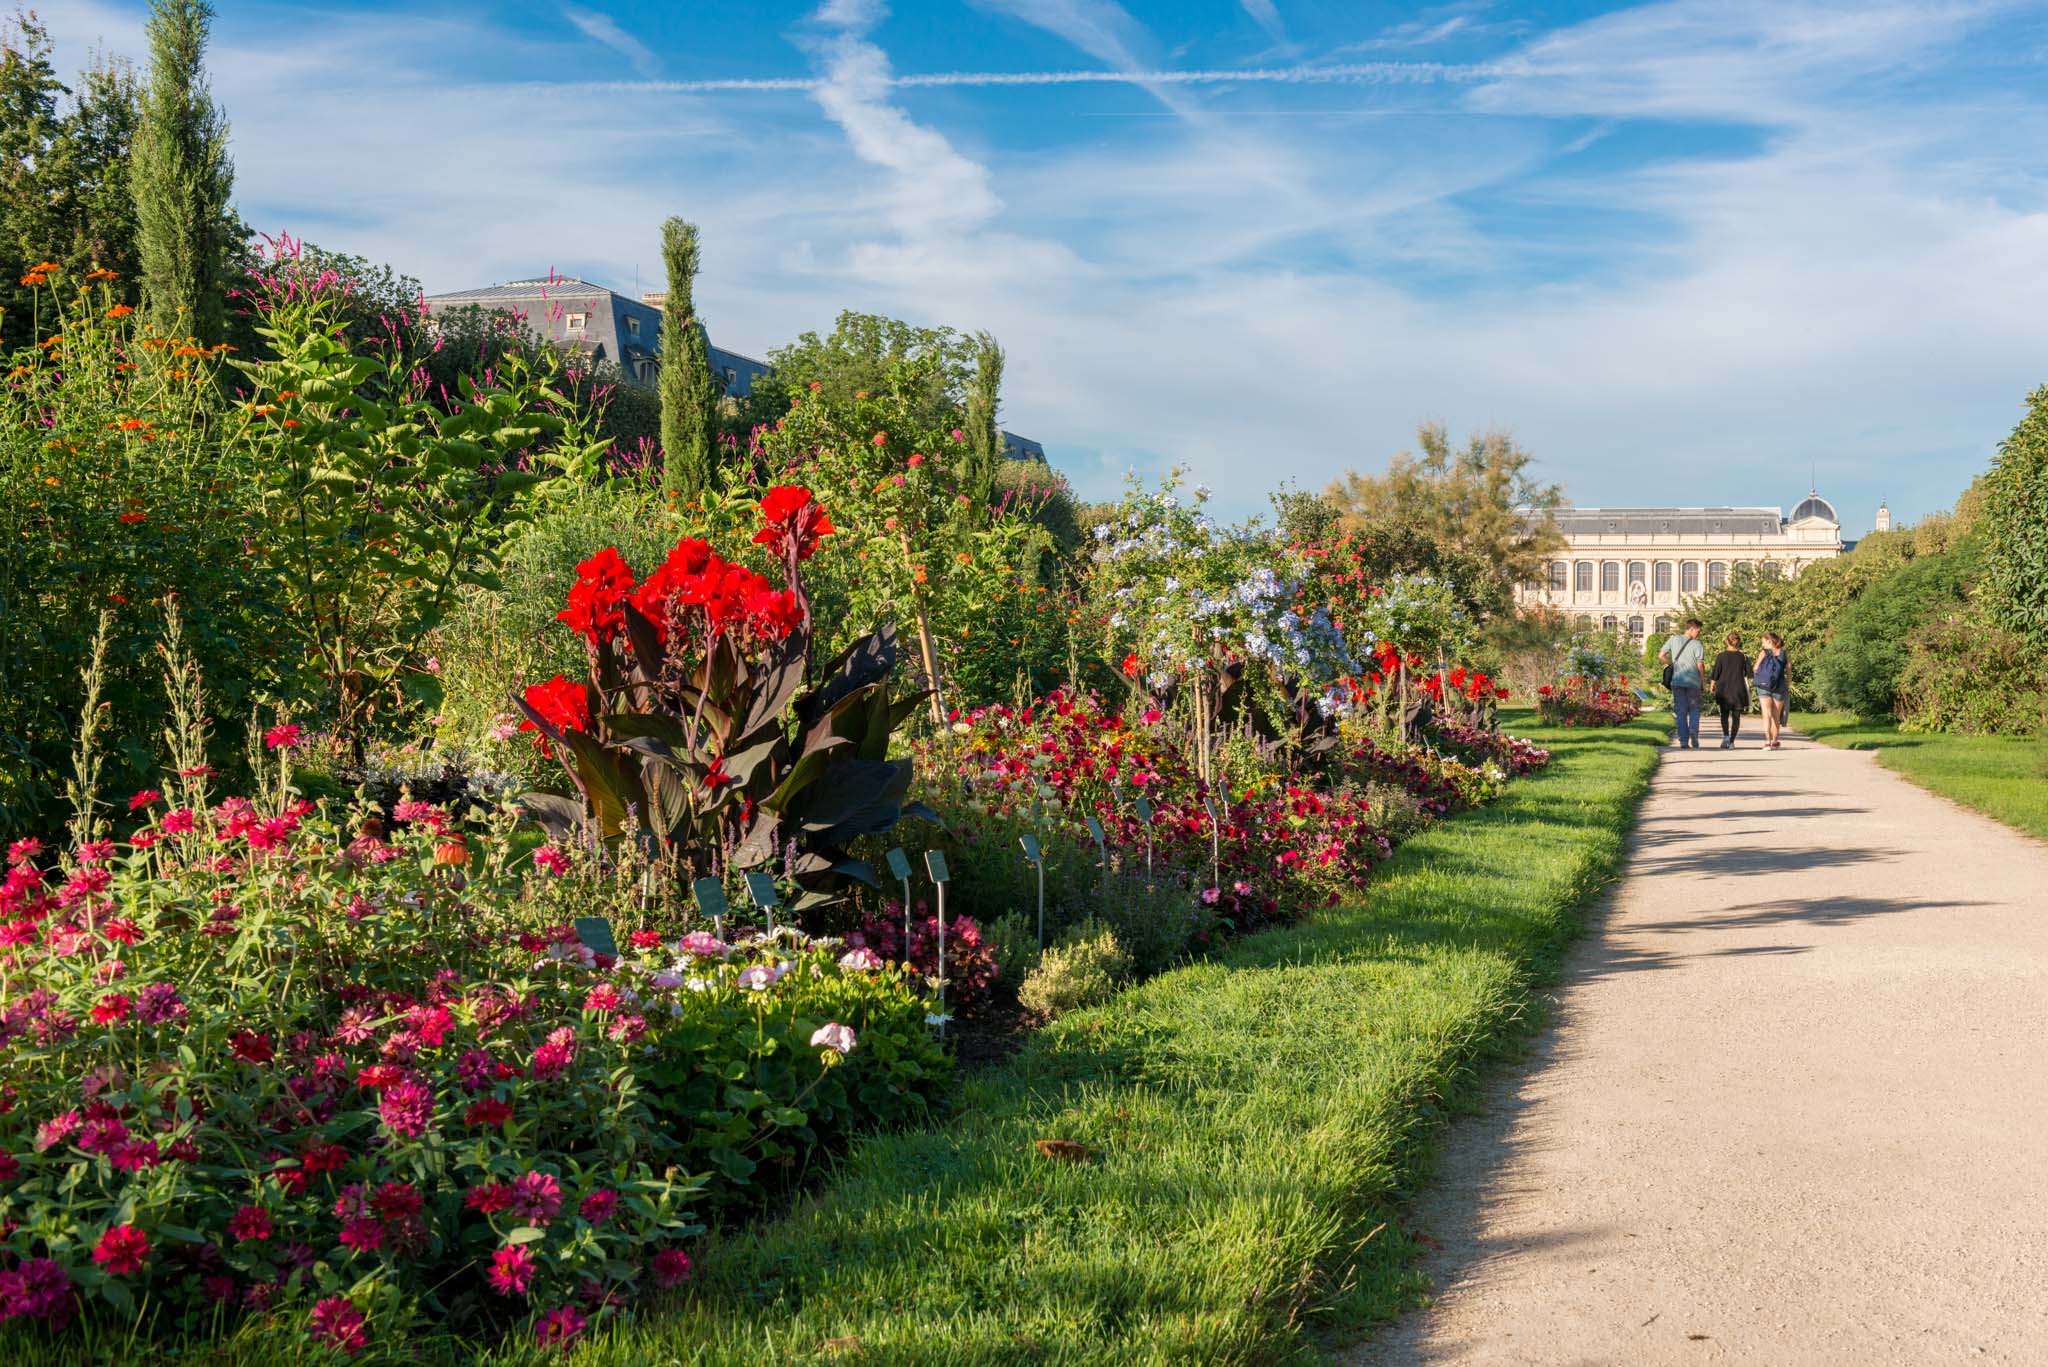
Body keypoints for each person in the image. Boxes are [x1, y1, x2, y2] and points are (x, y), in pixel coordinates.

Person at [1658, 618, 1707, 749]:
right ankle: (1693, 731)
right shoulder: (1697, 645)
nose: (1699, 633)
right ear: (1691, 629)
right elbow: (1700, 665)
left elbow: (1661, 655)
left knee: (1681, 711)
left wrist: (1672, 663)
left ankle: (1684, 741)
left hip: (1678, 680)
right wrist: (1703, 681)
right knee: (1694, 709)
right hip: (1693, 681)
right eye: (1698, 630)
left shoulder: (1673, 639)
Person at [1709, 631, 1752, 749]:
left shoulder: (1721, 656)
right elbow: (1749, 673)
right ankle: (1732, 741)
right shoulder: (1743, 656)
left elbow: (1715, 673)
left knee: (1724, 714)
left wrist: (1712, 684)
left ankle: (1726, 737)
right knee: (1736, 716)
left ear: (1726, 641)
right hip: (1738, 689)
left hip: (1724, 689)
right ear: (1738, 642)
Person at [1754, 631, 1790, 750]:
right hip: (1779, 687)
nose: (1762, 644)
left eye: (1763, 642)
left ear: (1769, 641)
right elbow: (1789, 671)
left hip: (1764, 687)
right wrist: (1787, 684)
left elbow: (1755, 668)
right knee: (1776, 716)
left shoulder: (1763, 653)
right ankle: (1775, 741)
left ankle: (1767, 742)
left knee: (1766, 714)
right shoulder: (1783, 653)